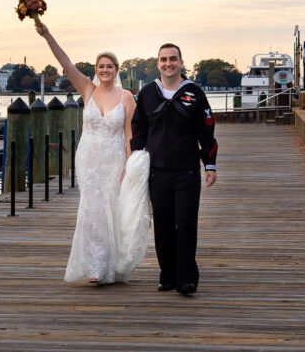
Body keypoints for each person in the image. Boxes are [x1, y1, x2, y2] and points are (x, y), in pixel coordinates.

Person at [35, 20, 148, 285]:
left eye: (110, 66)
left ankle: (112, 265)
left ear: (117, 70)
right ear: (96, 70)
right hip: (89, 159)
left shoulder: (126, 98)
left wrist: (129, 165)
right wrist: (47, 34)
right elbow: (66, 64)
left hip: (114, 159)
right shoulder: (88, 90)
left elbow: (130, 134)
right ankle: (95, 267)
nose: (105, 70)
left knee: (112, 209)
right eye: (101, 66)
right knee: (92, 209)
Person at [130, 43, 217, 295]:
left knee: (186, 223)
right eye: (163, 59)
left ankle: (187, 278)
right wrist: (136, 160)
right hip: (157, 172)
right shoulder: (148, 93)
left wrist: (209, 164)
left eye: (173, 59)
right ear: (157, 64)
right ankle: (167, 275)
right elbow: (139, 130)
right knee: (164, 225)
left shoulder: (194, 93)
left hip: (187, 171)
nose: (168, 63)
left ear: (181, 62)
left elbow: (207, 131)